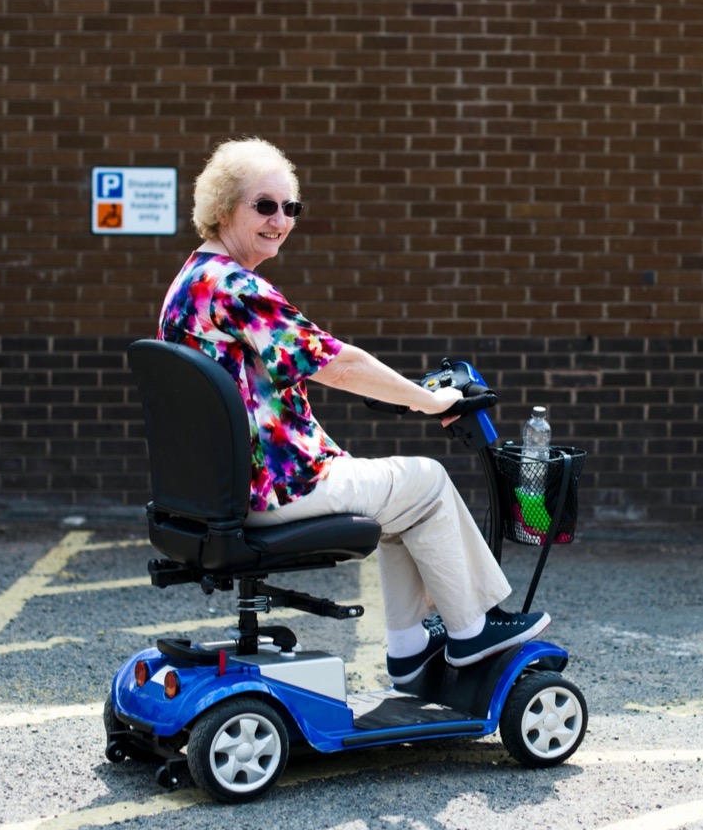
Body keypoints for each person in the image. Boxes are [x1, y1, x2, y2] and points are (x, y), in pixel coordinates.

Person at [157, 137, 549, 684]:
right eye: (264, 206)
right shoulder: (237, 289)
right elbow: (335, 363)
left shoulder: (190, 283)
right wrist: (428, 398)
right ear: (223, 208)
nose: (280, 220)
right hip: (274, 488)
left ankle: (411, 647)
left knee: (397, 497)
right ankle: (469, 630)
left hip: (218, 490)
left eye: (290, 207)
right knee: (428, 481)